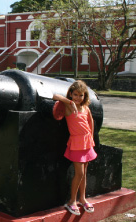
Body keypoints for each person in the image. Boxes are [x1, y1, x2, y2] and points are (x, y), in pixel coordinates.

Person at [52, 80, 96, 216]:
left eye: (81, 95)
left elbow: (91, 121)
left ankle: (82, 199)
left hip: (87, 142)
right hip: (76, 143)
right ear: (71, 94)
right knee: (80, 173)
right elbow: (55, 96)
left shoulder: (85, 108)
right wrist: (70, 102)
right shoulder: (69, 106)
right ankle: (72, 201)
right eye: (75, 94)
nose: (78, 98)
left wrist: (92, 137)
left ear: (85, 96)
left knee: (84, 173)